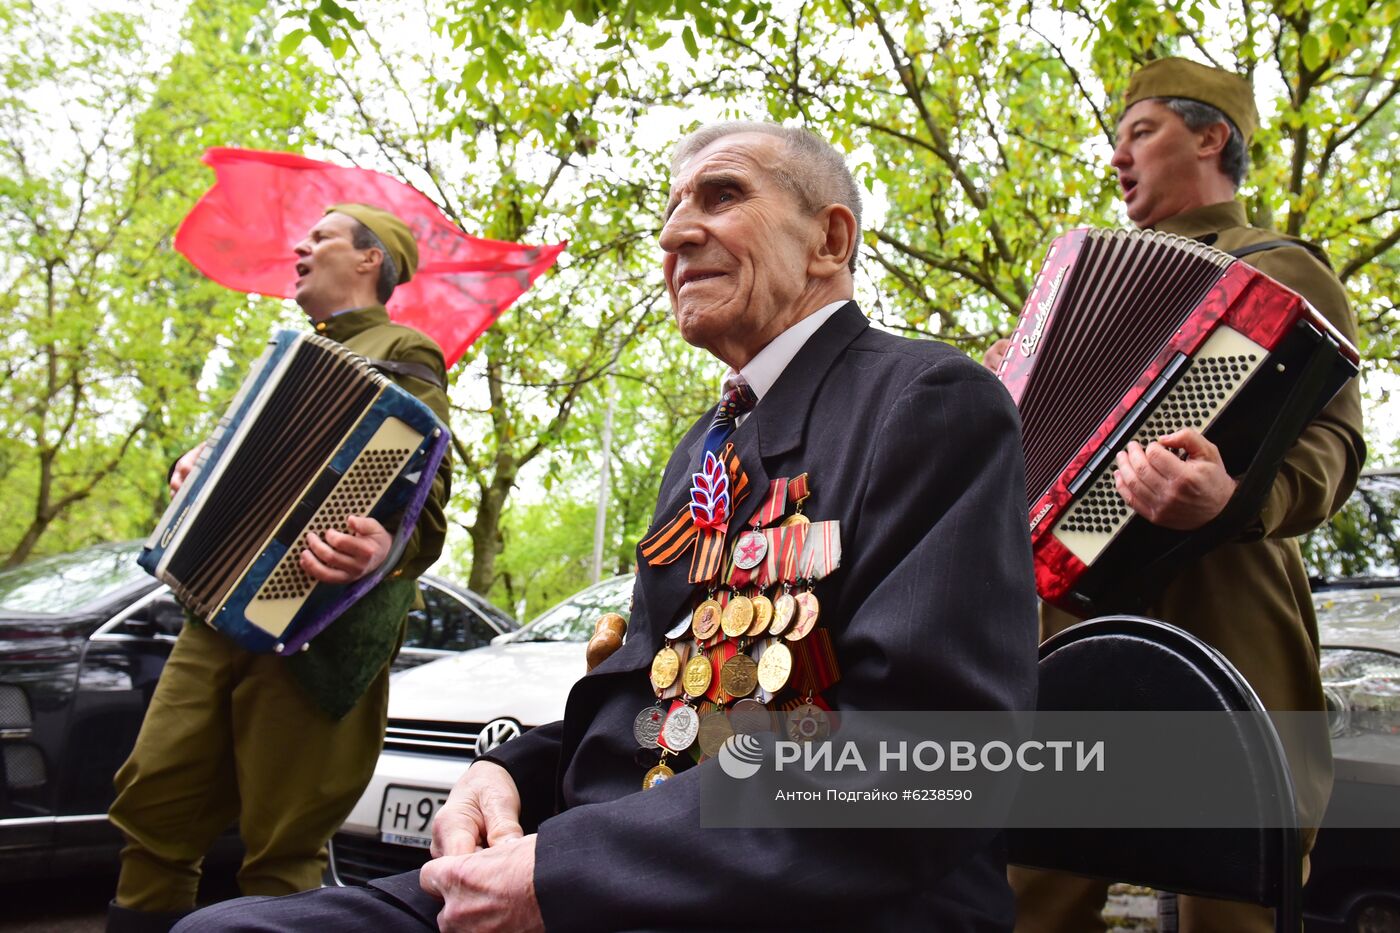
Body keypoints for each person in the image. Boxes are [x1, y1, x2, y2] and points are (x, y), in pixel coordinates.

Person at [175, 123, 1040, 932]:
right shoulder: (708, 444)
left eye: (721, 195)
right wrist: (506, 772)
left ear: (830, 240)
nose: (672, 237)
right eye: (670, 212)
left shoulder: (928, 400)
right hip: (612, 871)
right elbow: (654, 705)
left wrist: (564, 870)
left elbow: (926, 763)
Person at [997, 58, 1366, 933]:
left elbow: (1335, 446)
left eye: (1141, 131)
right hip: (1074, 621)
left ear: (1210, 137)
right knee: (1029, 895)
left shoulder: (1281, 269)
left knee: (1233, 901)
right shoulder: (1073, 283)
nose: (1118, 157)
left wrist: (1237, 496)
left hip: (1222, 613)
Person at [106, 204, 453, 933]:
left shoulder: (407, 350)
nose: (300, 245)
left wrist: (380, 549)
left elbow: (425, 502)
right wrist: (193, 467)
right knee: (154, 805)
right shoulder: (286, 356)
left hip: (317, 633)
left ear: (368, 260)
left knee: (284, 841)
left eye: (321, 236)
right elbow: (237, 460)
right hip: (217, 612)